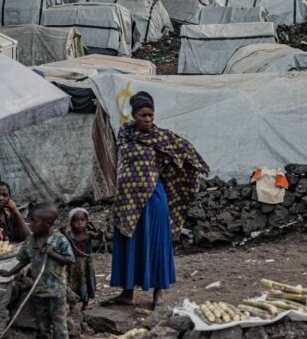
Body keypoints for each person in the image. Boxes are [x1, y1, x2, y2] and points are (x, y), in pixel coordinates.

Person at [105, 91, 208, 310]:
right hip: (126, 202)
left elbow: (188, 154)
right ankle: (127, 293)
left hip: (153, 201)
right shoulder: (124, 135)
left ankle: (158, 295)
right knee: (129, 243)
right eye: (143, 115)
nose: (148, 120)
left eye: (151, 115)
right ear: (133, 115)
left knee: (156, 244)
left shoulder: (162, 137)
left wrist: (194, 170)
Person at [0, 203, 75, 339]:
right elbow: (24, 260)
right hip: (38, 292)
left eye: (34, 221)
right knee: (43, 326)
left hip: (56, 292)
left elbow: (70, 260)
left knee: (60, 326)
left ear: (48, 223)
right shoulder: (30, 240)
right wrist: (9, 272)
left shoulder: (59, 240)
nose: (31, 225)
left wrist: (53, 254)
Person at [63, 208, 97, 311]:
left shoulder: (88, 234)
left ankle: (85, 303)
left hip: (86, 264)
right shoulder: (69, 235)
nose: (79, 223)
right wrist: (63, 232)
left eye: (82, 220)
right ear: (71, 223)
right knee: (73, 283)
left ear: (87, 222)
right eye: (76, 221)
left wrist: (101, 232)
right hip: (73, 264)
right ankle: (72, 303)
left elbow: (98, 236)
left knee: (85, 282)